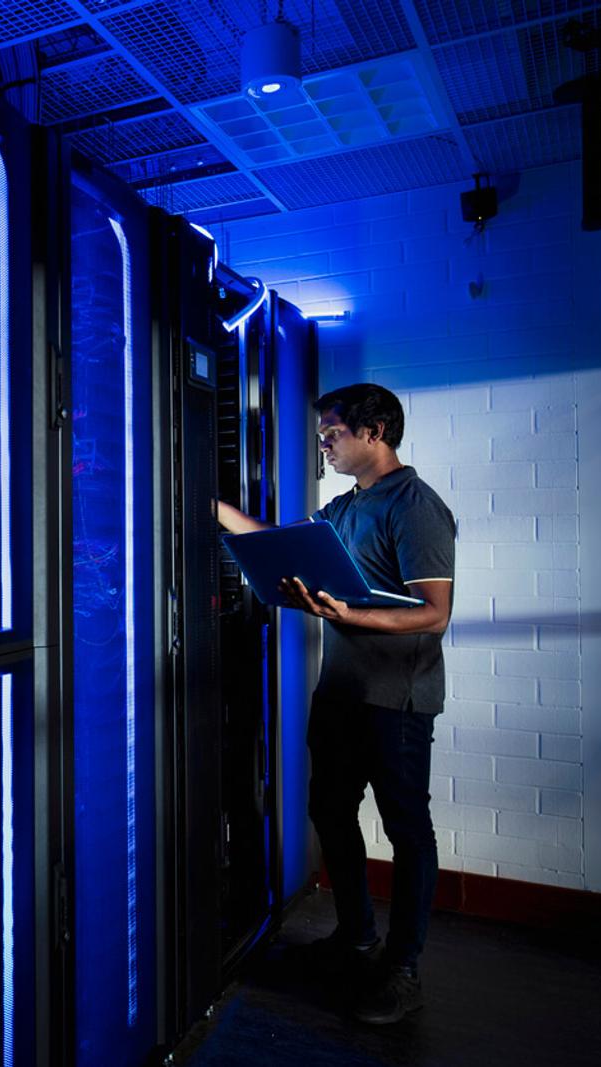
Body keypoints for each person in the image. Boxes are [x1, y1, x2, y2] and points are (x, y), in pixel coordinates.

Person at [216, 382, 455, 1025]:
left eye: (332, 434)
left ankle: (402, 971)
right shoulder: (344, 507)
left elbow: (435, 614)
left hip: (396, 701)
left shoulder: (416, 507)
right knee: (331, 812)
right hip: (342, 695)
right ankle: (356, 938)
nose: (323, 443)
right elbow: (275, 545)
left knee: (408, 832)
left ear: (373, 432)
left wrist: (350, 613)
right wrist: (210, 506)